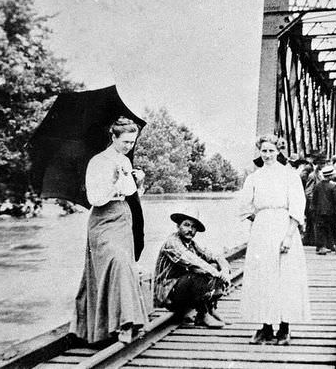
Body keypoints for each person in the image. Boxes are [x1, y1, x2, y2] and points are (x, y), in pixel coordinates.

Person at [70, 117, 148, 344]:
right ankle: (123, 322)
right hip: (103, 219)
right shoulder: (98, 162)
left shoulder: (125, 161)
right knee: (117, 262)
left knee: (126, 264)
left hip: (123, 217)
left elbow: (130, 193)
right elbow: (94, 198)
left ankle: (123, 324)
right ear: (113, 137)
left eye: (132, 142)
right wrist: (113, 182)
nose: (129, 146)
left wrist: (139, 182)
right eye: (125, 142)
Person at [239, 134, 310, 345]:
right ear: (259, 152)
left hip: (283, 226)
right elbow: (245, 206)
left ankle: (285, 328)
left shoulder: (289, 176)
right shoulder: (254, 177)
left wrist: (288, 235)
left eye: (271, 151)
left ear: (278, 152)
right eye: (264, 151)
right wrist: (261, 219)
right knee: (262, 277)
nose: (267, 155)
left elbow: (298, 206)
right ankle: (265, 327)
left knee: (285, 277)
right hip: (262, 229)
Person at [154, 208, 231, 328]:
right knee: (199, 272)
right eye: (186, 225)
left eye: (193, 227)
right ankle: (202, 315)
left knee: (214, 265)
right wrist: (217, 274)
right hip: (168, 294)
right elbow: (193, 261)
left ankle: (210, 309)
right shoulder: (172, 243)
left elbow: (215, 256)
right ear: (178, 226)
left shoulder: (192, 244)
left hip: (182, 290)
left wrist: (225, 271)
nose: (190, 230)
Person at [312, 165, 336, 255]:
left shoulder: (318, 185)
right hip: (330, 211)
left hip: (319, 211)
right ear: (331, 176)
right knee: (331, 229)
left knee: (320, 229)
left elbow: (314, 199)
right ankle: (332, 245)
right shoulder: (333, 186)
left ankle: (321, 246)